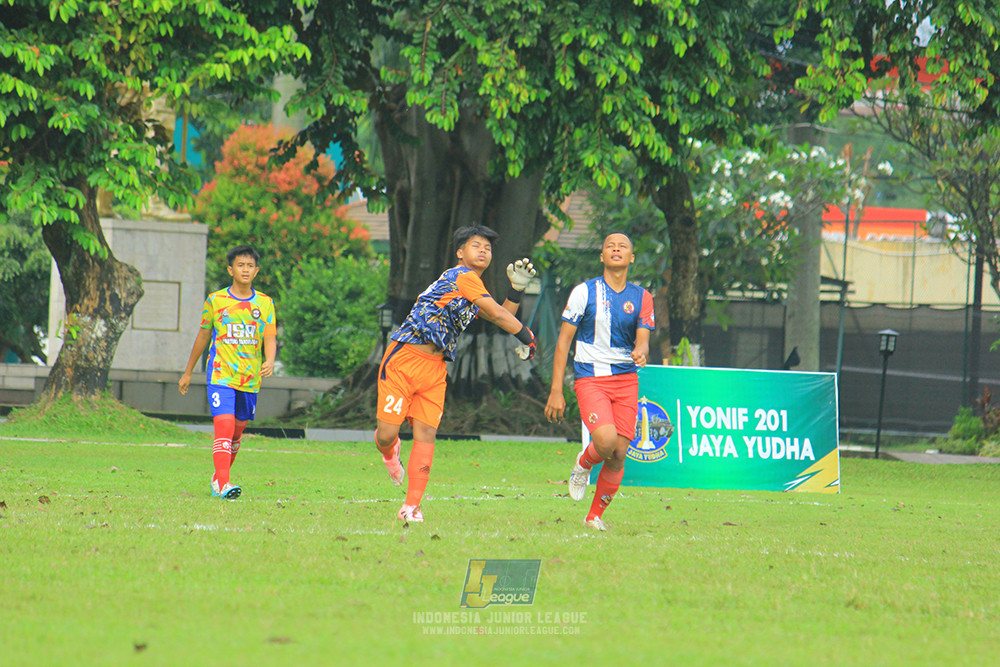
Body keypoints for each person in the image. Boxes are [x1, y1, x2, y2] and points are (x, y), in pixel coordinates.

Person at [374, 225, 537, 523]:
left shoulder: (474, 288)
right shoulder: (462, 276)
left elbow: (496, 315)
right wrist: (528, 336)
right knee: (386, 435)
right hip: (404, 359)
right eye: (476, 245)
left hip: (435, 369)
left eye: (488, 248)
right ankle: (389, 451)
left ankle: (411, 507)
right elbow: (502, 317)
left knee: (427, 433)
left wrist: (515, 290)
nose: (484, 251)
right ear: (460, 253)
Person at [544, 233, 655, 531]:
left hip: (626, 379)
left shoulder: (642, 297)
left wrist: (641, 351)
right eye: (610, 245)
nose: (616, 248)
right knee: (604, 443)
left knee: (619, 453)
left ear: (632, 258)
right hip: (591, 378)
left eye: (623, 246)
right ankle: (583, 464)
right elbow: (563, 342)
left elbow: (643, 340)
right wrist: (557, 390)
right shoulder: (584, 291)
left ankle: (594, 517)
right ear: (602, 256)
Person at [178, 245, 277, 500]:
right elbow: (203, 335)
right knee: (224, 426)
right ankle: (224, 484)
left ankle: (218, 477)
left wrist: (270, 360)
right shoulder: (215, 300)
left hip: (250, 378)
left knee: (236, 432)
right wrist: (188, 372)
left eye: (250, 266)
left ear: (256, 271)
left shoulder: (265, 303)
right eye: (240, 265)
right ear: (230, 269)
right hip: (220, 376)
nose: (245, 269)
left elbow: (270, 337)